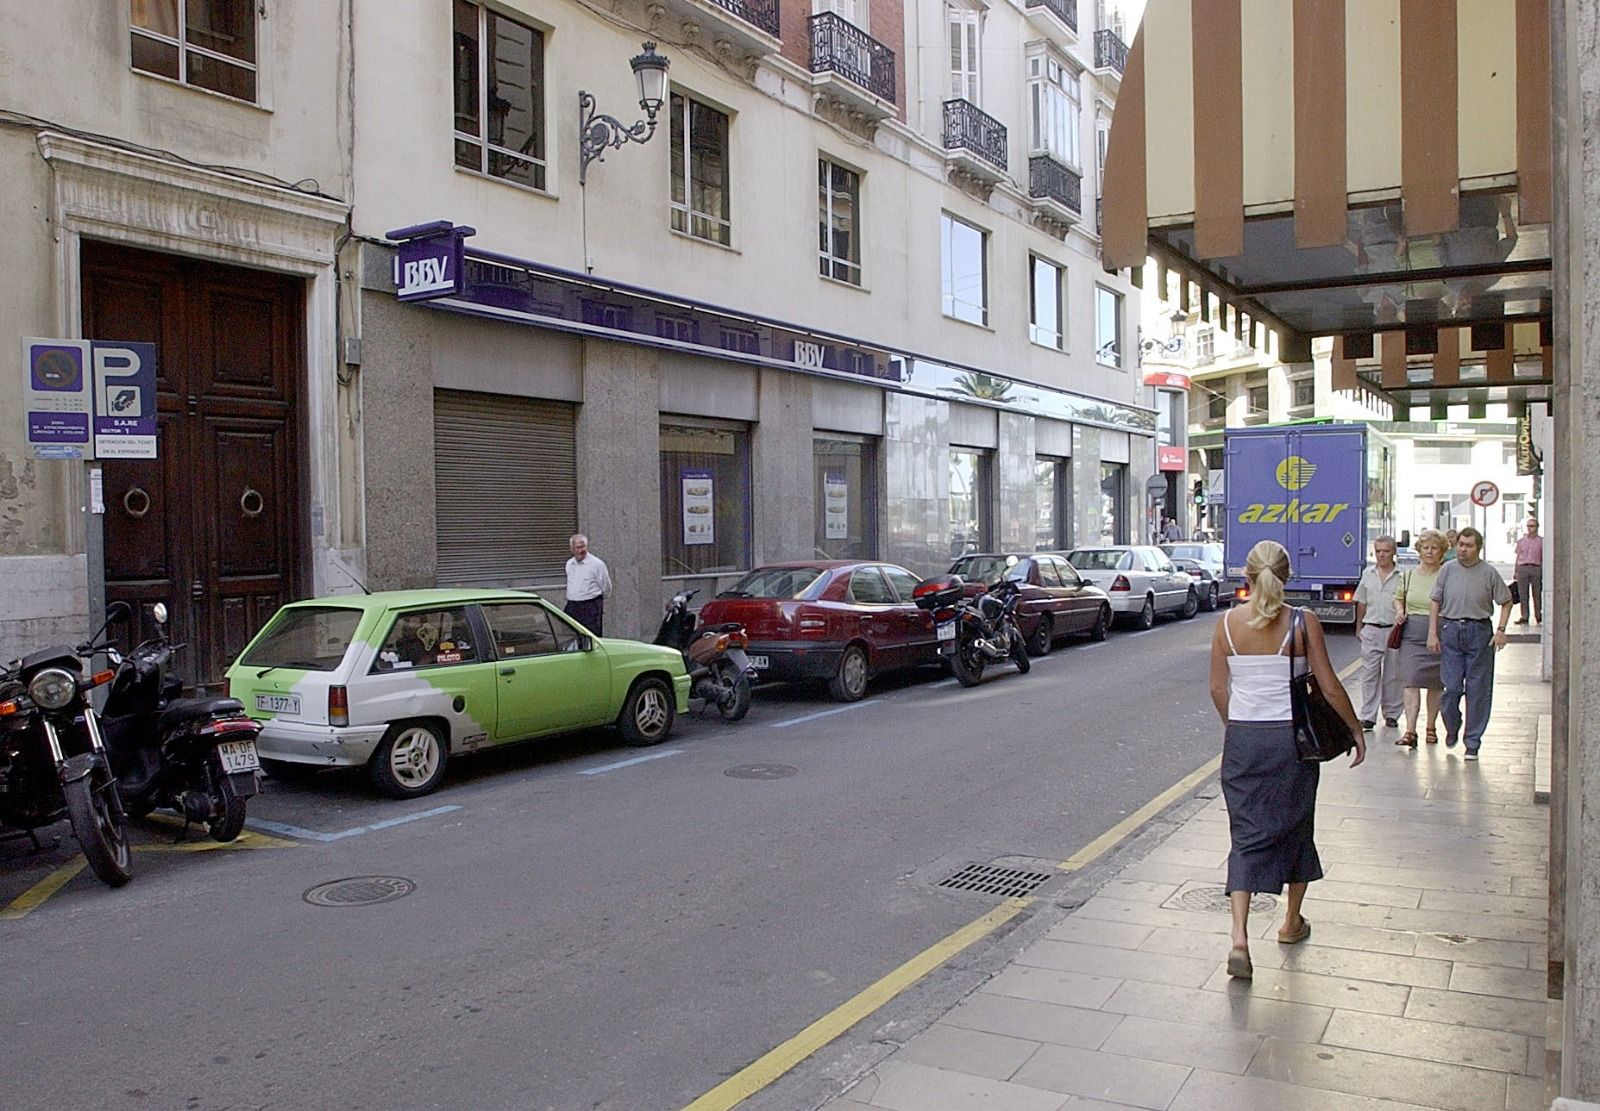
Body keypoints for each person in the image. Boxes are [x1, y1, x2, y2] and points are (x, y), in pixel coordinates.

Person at [1208, 540, 1365, 981]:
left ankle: (1239, 938)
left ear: (1247, 577)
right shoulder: (1302, 622)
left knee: (1245, 835)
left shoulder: (1225, 624)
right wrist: (1354, 729)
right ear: (1288, 575)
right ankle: (1290, 921)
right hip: (1289, 742)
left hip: (1243, 739)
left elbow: (1219, 689)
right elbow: (1329, 686)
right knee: (1296, 826)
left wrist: (1234, 726)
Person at [1428, 527, 1514, 760]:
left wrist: (1501, 631)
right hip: (1451, 629)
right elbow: (1435, 601)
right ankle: (1452, 725)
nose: (1463, 549)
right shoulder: (1447, 570)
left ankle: (1472, 742)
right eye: (1460, 545)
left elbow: (1506, 602)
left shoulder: (1488, 573)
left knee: (1478, 690)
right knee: (1452, 687)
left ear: (1478, 548)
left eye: (1468, 546)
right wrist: (1432, 633)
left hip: (1479, 631)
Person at [1393, 529, 1448, 747]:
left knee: (1435, 683)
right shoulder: (1408, 576)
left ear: (1442, 551)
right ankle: (1410, 730)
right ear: (1419, 551)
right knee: (1410, 681)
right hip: (1412, 634)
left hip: (1439, 632)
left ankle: (1431, 727)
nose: (1429, 552)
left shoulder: (1446, 575)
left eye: (1434, 548)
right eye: (1425, 548)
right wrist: (1399, 611)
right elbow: (1398, 598)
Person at [1353, 536, 1404, 731]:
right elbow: (1362, 602)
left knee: (1393, 674)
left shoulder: (1402, 576)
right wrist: (1359, 628)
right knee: (1369, 674)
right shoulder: (1368, 574)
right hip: (1372, 628)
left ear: (1393, 553)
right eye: (1378, 551)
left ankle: (1391, 714)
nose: (1381, 555)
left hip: (1393, 629)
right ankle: (1367, 715)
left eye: (1386, 551)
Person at [563, 533, 612, 637]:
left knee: (591, 637)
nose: (582, 550)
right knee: (571, 636)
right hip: (573, 606)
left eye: (584, 546)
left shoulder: (597, 564)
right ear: (572, 549)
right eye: (578, 547)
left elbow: (606, 587)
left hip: (590, 607)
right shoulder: (569, 564)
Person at [1513, 517, 1544, 625]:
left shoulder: (1541, 541)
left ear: (1537, 527)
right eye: (1528, 526)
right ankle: (1524, 616)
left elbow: (1544, 557)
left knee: (1537, 593)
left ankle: (1538, 615)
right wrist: (1516, 571)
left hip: (1536, 567)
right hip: (1523, 567)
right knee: (1523, 594)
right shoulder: (1521, 541)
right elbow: (1518, 557)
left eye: (1532, 526)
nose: (1530, 528)